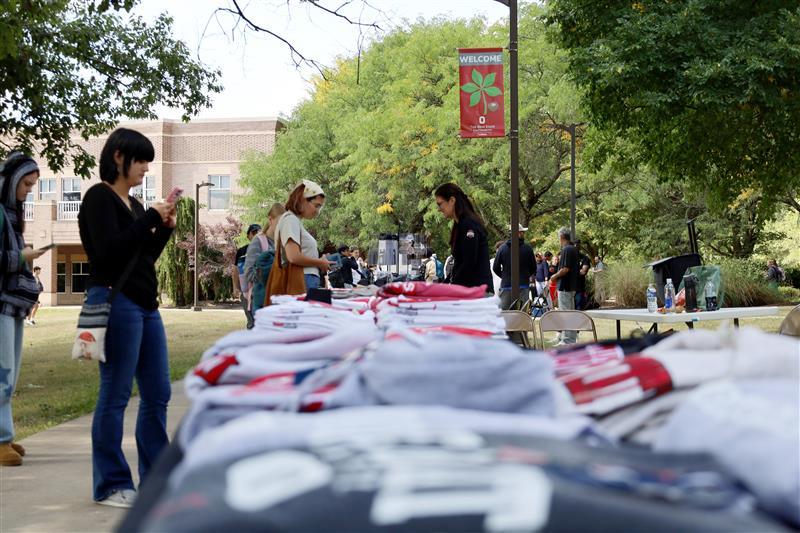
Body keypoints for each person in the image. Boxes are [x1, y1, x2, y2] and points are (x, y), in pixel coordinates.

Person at [78, 128, 176, 507]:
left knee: (158, 394)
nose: (146, 169)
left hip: (146, 305)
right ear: (119, 157)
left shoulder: (134, 206)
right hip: (116, 303)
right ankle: (111, 484)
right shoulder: (99, 198)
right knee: (116, 394)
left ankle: (155, 479)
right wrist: (147, 217)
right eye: (141, 160)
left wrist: (162, 229)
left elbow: (142, 256)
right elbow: (106, 254)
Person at [0, 151, 44, 467]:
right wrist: (22, 259)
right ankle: (1, 440)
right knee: (2, 371)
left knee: (10, 373)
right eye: (26, 184)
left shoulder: (10, 216)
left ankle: (5, 435)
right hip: (2, 303)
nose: (29, 190)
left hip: (12, 305)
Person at [434, 183, 493, 292]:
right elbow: (458, 265)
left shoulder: (469, 225)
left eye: (440, 204)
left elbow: (469, 263)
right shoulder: (460, 226)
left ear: (452, 200)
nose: (439, 209)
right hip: (470, 292)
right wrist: (442, 287)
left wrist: (450, 287)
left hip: (477, 294)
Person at [275, 180, 332, 291]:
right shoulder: (290, 220)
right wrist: (320, 262)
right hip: (301, 279)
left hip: (304, 278)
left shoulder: (294, 221)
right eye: (316, 206)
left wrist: (319, 261)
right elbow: (293, 256)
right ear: (302, 200)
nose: (317, 211)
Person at [244, 203, 286, 313]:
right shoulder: (258, 241)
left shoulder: (284, 242)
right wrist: (268, 273)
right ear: (270, 219)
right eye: (280, 222)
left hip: (279, 302)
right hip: (261, 302)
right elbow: (248, 273)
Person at [493, 225, 537, 310]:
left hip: (506, 285)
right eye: (522, 232)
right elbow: (533, 267)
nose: (523, 234)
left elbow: (495, 267)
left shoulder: (502, 248)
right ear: (518, 233)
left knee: (505, 313)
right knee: (522, 314)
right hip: (523, 285)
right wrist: (525, 276)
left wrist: (505, 276)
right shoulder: (528, 249)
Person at [549, 228, 580, 344]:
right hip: (571, 286)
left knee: (566, 313)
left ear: (561, 237)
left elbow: (565, 269)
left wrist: (554, 276)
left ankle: (567, 340)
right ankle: (570, 339)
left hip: (565, 286)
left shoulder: (567, 249)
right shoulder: (574, 249)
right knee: (569, 313)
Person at [234, 223, 261, 329]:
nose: (256, 235)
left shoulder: (264, 249)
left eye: (258, 232)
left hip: (259, 290)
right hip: (245, 291)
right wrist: (235, 287)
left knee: (260, 319)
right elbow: (235, 270)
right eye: (253, 232)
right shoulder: (241, 251)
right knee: (250, 321)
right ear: (248, 236)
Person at [574, 240, 592, 311]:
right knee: (569, 310)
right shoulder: (569, 258)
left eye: (577, 245)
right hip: (568, 289)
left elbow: (583, 272)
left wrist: (571, 272)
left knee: (579, 309)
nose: (575, 247)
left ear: (580, 246)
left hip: (579, 288)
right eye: (574, 245)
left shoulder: (584, 258)